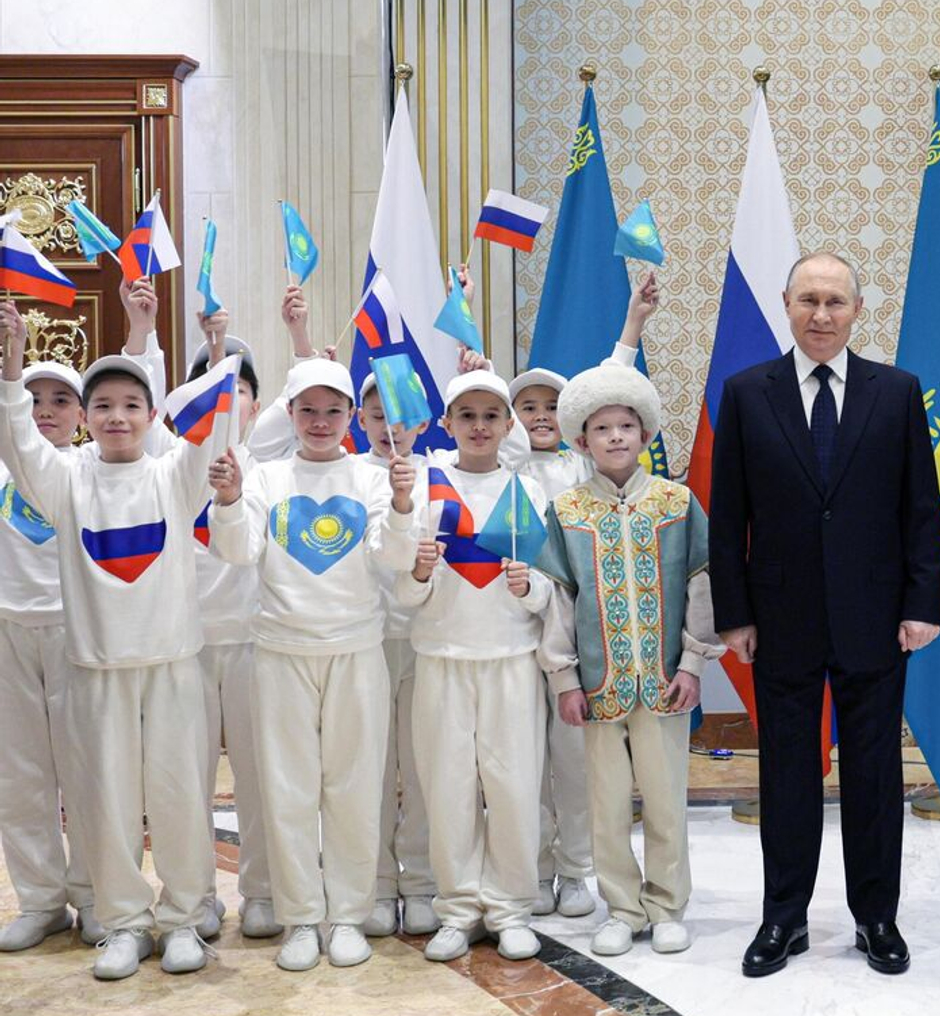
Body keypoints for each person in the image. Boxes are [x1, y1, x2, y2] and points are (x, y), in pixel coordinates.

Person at [711, 251, 940, 978]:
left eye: (835, 301)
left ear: (857, 310)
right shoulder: (747, 393)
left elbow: (920, 509)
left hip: (875, 615)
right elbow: (729, 518)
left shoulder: (896, 391)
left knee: (874, 774)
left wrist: (921, 603)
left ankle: (876, 917)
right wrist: (733, 614)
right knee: (787, 773)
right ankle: (784, 917)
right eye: (808, 300)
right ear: (786, 304)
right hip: (780, 617)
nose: (821, 314)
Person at [0, 310, 226, 981]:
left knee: (179, 796)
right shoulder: (66, 481)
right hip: (97, 669)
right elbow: (19, 442)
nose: (117, 417)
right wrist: (12, 360)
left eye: (131, 405)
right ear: (87, 418)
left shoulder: (173, 477)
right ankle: (124, 922)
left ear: (152, 415)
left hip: (171, 664)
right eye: (103, 406)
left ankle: (183, 918)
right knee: (108, 803)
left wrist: (216, 353)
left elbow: (214, 433)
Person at [208, 358, 417, 970]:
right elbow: (237, 550)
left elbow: (394, 558)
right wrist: (228, 499)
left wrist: (402, 503)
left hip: (356, 651)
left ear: (351, 416)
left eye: (332, 411)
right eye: (308, 410)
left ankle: (347, 914)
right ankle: (301, 917)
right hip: (281, 653)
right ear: (291, 413)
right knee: (288, 788)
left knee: (354, 787)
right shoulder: (266, 476)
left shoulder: (371, 478)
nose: (320, 422)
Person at [539, 363, 722, 956]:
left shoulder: (676, 503)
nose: (615, 437)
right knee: (606, 802)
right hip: (599, 685)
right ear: (581, 441)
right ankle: (621, 906)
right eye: (601, 428)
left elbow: (701, 582)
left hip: (665, 682)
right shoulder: (568, 511)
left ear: (645, 434)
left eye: (625, 426)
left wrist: (693, 663)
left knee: (666, 799)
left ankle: (666, 904)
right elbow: (559, 598)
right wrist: (564, 677)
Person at [400, 369, 568, 963]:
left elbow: (550, 588)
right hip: (442, 658)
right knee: (447, 788)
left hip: (511, 660)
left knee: (515, 786)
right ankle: (458, 908)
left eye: (491, 416)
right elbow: (403, 591)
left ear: (508, 425)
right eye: (467, 416)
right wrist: (419, 572)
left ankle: (511, 907)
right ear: (447, 424)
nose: (479, 427)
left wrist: (529, 589)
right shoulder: (426, 487)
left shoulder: (527, 492)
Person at [509, 272, 654, 920]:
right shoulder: (505, 469)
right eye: (527, 408)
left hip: (574, 640)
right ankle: (535, 869)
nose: (540, 416)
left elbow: (609, 389)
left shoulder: (582, 468)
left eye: (551, 406)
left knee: (574, 763)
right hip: (514, 636)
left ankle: (575, 870)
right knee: (523, 764)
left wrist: (632, 325)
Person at [0, 327, 97, 952]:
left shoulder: (89, 471)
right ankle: (40, 900)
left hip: (74, 632)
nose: (46, 411)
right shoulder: (4, 467)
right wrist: (12, 360)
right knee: (20, 774)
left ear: (82, 415)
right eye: (34, 400)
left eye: (61, 401)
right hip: (9, 631)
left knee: (85, 769)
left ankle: (95, 895)